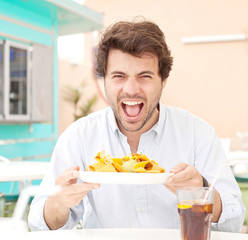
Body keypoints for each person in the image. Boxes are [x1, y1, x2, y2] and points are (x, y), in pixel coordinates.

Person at [28, 19, 245, 232]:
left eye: (145, 76)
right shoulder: (79, 136)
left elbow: (233, 221)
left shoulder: (199, 134)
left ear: (164, 81)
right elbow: (40, 226)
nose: (131, 89)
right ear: (104, 80)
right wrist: (59, 202)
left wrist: (202, 190)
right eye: (119, 76)